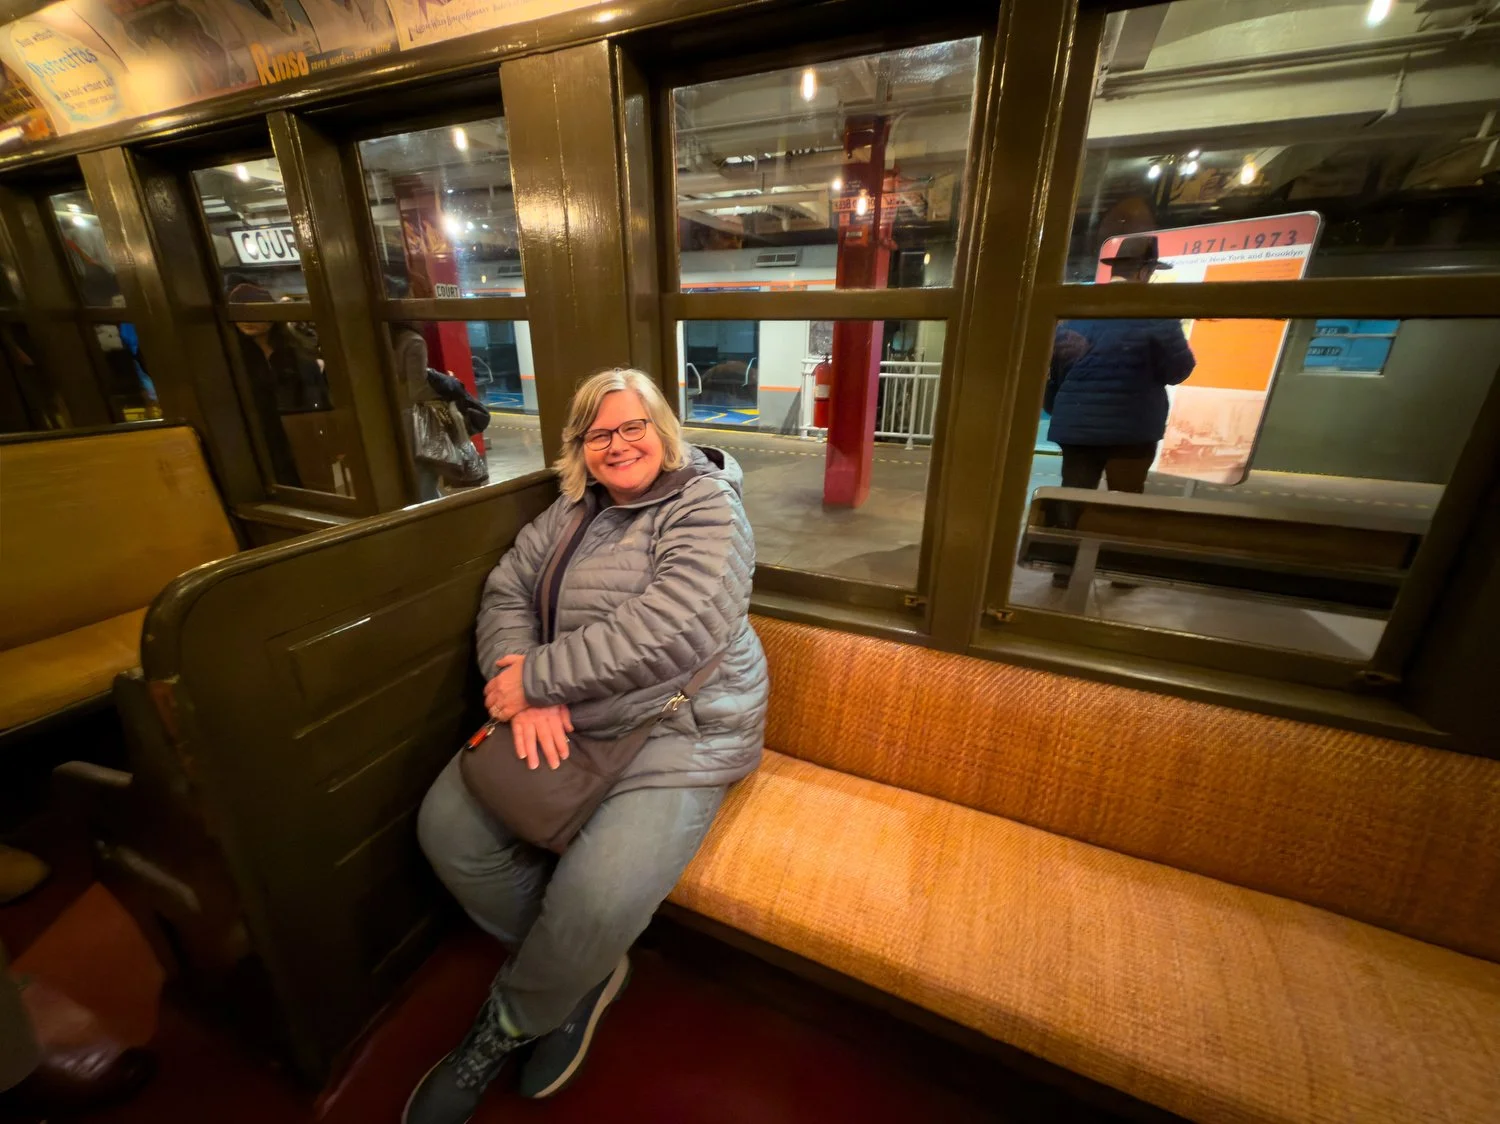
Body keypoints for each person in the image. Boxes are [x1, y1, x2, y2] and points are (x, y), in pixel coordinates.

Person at [406, 368, 767, 1124]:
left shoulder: (707, 504)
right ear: (580, 448)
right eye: (598, 433)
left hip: (683, 727)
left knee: (594, 897)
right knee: (446, 830)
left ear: (662, 429)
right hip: (576, 715)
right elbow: (507, 593)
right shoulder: (572, 510)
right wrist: (522, 680)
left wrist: (538, 680)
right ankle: (581, 973)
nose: (617, 444)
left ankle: (504, 1025)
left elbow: (680, 622)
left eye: (632, 426)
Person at [1044, 234, 1196, 585]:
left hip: (1079, 423)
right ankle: (1121, 571)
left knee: (1073, 495)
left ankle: (1063, 569)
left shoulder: (1078, 311)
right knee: (1126, 499)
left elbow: (1057, 365)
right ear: (1144, 271)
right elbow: (1179, 370)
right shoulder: (1157, 315)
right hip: (1134, 426)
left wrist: (1060, 408)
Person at [230, 281, 330, 488]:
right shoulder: (233, 357)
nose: (247, 320)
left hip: (301, 433)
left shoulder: (295, 352)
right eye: (239, 312)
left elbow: (316, 393)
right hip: (256, 437)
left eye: (255, 312)